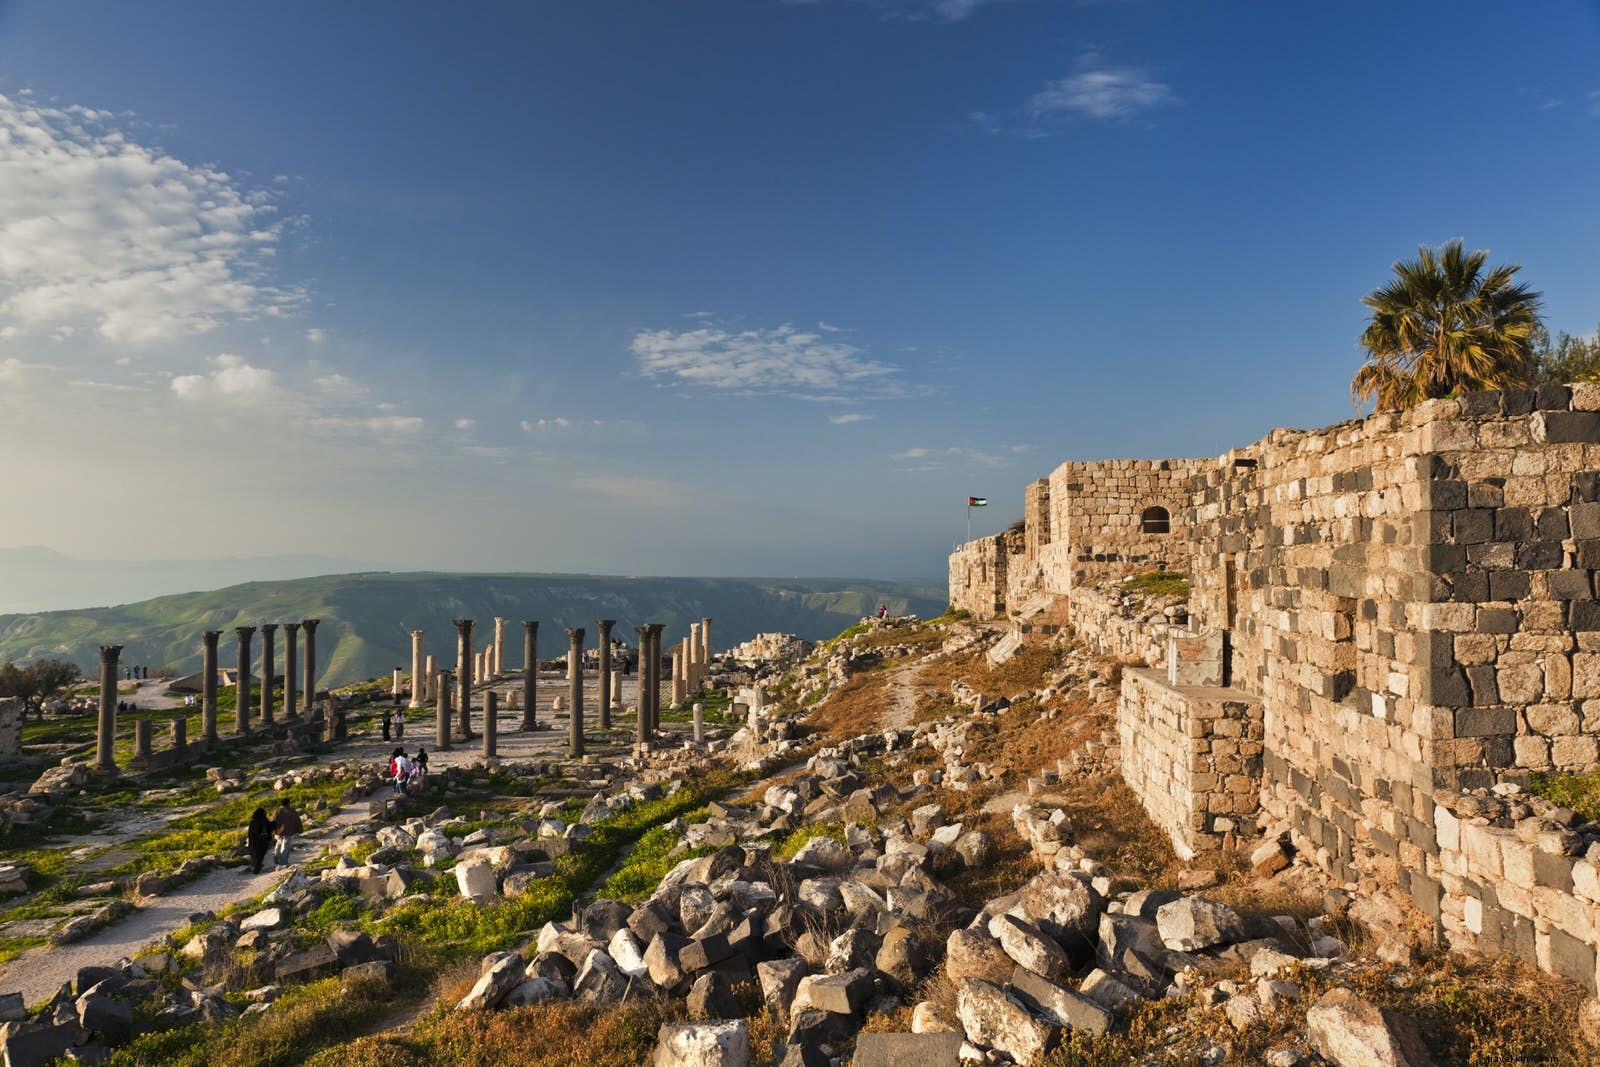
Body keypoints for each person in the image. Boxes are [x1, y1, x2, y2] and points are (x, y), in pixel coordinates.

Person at [271, 800, 303, 866]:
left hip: (278, 831)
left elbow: (273, 821)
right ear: (288, 803)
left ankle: (276, 857)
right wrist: (300, 830)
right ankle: (283, 861)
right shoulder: (291, 811)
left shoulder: (276, 811)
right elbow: (297, 821)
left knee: (278, 843)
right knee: (286, 846)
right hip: (288, 831)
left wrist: (273, 831)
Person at [246, 808, 273, 874]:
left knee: (255, 854)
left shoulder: (252, 821)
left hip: (253, 841)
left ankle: (255, 867)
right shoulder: (264, 820)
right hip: (262, 841)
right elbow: (268, 829)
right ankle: (257, 869)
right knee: (261, 855)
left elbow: (249, 833)